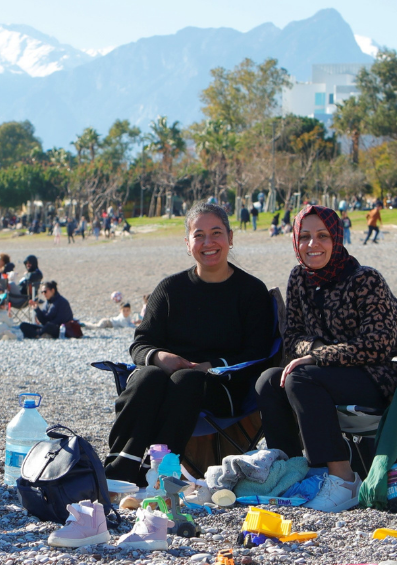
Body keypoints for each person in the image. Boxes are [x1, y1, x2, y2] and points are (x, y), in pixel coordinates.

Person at [254, 204, 397, 513]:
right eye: (304, 236)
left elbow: (377, 346)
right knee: (269, 381)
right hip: (334, 376)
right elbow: (292, 338)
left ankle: (343, 480)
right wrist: (317, 355)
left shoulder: (365, 279)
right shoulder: (299, 279)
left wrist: (317, 357)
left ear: (337, 237)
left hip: (387, 377)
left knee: (301, 378)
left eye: (322, 235)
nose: (312, 244)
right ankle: (298, 474)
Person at [103, 201, 274, 483]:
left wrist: (209, 365)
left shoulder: (251, 291)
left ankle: (157, 474)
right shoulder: (170, 290)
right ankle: (118, 470)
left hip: (224, 385)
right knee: (147, 376)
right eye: (199, 235)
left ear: (230, 238)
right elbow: (141, 343)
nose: (208, 242)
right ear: (187, 243)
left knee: (187, 379)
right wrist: (160, 357)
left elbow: (258, 351)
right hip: (166, 380)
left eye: (217, 233)